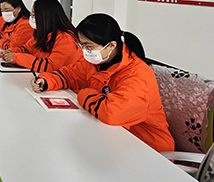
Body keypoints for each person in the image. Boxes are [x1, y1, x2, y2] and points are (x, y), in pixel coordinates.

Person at [31, 13, 174, 152]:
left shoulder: (137, 74)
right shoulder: (96, 62)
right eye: (81, 45)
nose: (84, 51)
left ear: (111, 45)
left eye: (89, 46)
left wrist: (84, 94)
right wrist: (46, 81)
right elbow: (70, 74)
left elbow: (113, 113)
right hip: (110, 136)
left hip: (148, 148)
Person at [1, 0, 81, 72]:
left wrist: (16, 57)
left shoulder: (66, 38)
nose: (31, 19)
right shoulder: (42, 33)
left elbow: (50, 66)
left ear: (46, 17)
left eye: (34, 15)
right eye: (31, 15)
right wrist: (9, 52)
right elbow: (27, 49)